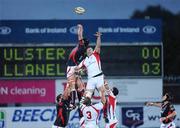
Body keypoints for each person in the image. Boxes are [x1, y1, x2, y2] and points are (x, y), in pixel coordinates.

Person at [66, 24, 89, 107]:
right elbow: (84, 65)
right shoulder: (85, 52)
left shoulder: (81, 45)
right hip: (77, 68)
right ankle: (82, 103)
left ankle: (72, 103)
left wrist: (81, 27)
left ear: (83, 42)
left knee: (71, 85)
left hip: (71, 67)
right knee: (80, 86)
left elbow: (79, 34)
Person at [76, 32, 104, 98]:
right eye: (88, 49)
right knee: (87, 97)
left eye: (91, 49)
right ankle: (86, 108)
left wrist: (98, 37)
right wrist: (80, 72)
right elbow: (77, 69)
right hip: (90, 79)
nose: (90, 50)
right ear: (86, 52)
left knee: (103, 96)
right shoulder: (84, 61)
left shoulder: (95, 54)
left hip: (99, 77)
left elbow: (98, 45)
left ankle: (105, 108)